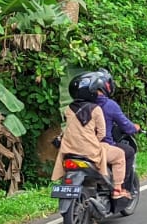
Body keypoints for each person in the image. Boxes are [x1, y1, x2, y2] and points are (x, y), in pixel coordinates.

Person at [52, 71, 128, 199]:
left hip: (70, 151)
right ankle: (117, 189)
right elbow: (102, 132)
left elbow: (70, 129)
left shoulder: (68, 109)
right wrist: (94, 141)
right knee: (120, 155)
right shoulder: (96, 109)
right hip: (90, 151)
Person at [94, 70, 140, 181]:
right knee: (128, 152)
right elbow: (126, 125)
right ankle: (120, 186)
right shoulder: (109, 105)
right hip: (103, 145)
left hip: (79, 146)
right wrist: (135, 128)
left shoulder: (78, 106)